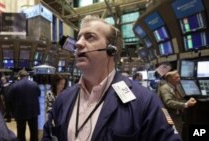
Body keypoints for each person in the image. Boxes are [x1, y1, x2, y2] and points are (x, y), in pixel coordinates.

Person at [42, 15, 181, 141]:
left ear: (111, 49)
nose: (78, 43)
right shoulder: (63, 99)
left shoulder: (145, 101)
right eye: (79, 37)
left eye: (89, 37)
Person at [159, 70, 197, 136]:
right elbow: (169, 102)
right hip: (169, 117)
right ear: (170, 79)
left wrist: (188, 101)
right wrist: (186, 104)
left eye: (179, 77)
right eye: (176, 77)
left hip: (178, 116)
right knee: (172, 136)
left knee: (178, 134)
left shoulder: (177, 87)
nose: (179, 79)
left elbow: (179, 100)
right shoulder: (164, 88)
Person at [8, 69, 41, 141]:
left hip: (20, 113)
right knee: (34, 132)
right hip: (33, 112)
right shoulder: (34, 84)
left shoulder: (14, 86)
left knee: (21, 133)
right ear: (27, 76)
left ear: (19, 76)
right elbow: (39, 94)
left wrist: (12, 111)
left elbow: (9, 99)